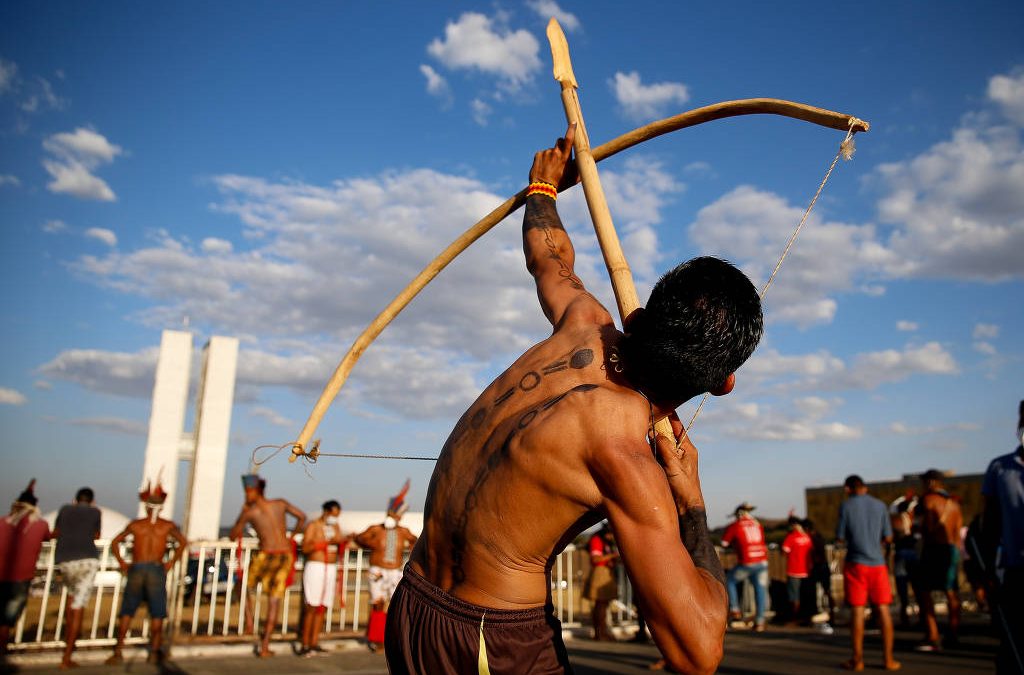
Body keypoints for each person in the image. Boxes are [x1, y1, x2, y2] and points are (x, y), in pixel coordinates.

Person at [384, 123, 763, 675]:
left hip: (413, 606)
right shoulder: (624, 458)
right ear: (723, 382)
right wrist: (692, 503)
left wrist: (542, 190)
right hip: (489, 642)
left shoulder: (585, 321)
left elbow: (548, 259)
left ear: (646, 312)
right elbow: (699, 650)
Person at [105, 480, 187, 665]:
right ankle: (154, 651)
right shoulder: (166, 526)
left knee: (128, 610)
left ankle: (118, 651)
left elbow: (115, 542)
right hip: (156, 568)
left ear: (146, 507)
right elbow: (182, 542)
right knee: (157, 612)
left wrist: (123, 563)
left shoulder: (136, 525)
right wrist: (170, 563)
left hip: (137, 567)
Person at [229, 473, 306, 658]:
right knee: (241, 586)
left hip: (279, 556)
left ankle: (264, 644)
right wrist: (292, 536)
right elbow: (301, 517)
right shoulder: (255, 510)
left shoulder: (270, 506)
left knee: (273, 601)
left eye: (249, 492)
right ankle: (250, 621)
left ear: (258, 491)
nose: (247, 495)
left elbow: (302, 517)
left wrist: (292, 537)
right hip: (269, 555)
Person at [836, 475, 899, 672]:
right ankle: (888, 659)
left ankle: (857, 659)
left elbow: (840, 537)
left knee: (857, 611)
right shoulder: (880, 506)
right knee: (883, 610)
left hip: (856, 564)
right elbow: (888, 536)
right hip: (878, 564)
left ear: (848, 489)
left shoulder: (846, 507)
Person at [981, 400, 1024, 674]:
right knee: (1013, 650)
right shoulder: (1000, 469)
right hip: (1017, 572)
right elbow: (990, 526)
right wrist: (987, 570)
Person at [354, 480, 417, 652]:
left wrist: (411, 546)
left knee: (397, 604)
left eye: (397, 516)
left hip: (395, 571)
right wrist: (370, 543)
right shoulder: (376, 529)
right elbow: (359, 538)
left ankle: (394, 637)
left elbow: (416, 541)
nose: (394, 518)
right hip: (378, 571)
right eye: (392, 514)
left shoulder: (403, 531)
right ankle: (376, 638)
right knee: (377, 603)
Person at [912, 469, 963, 651]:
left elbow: (927, 527)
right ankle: (953, 632)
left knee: (925, 593)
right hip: (951, 550)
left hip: (933, 549)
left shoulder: (928, 500)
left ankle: (933, 635)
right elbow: (957, 534)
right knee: (951, 593)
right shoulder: (954, 505)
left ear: (931, 482)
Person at [0, 480, 50, 658]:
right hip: (22, 578)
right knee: (7, 620)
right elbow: (48, 537)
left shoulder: (2, 522)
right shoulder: (40, 525)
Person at [53, 487, 101, 670]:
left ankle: (67, 638)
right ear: (92, 501)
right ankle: (67, 655)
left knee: (70, 599)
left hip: (64, 560)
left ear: (75, 499)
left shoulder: (64, 509)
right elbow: (97, 535)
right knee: (78, 605)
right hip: (87, 561)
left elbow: (56, 531)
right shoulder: (96, 512)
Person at [298, 499, 346, 657]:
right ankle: (305, 644)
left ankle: (314, 642)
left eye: (337, 515)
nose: (335, 518)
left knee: (323, 606)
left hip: (330, 567)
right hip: (316, 566)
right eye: (333, 514)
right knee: (311, 605)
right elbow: (305, 547)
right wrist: (320, 544)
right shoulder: (313, 525)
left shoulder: (335, 526)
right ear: (326, 512)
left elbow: (339, 539)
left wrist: (339, 541)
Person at [722, 502, 769, 632]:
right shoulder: (757, 524)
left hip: (747, 561)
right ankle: (760, 621)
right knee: (760, 590)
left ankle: (735, 609)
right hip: (762, 561)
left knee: (730, 580)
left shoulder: (736, 525)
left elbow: (724, 543)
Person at [888, 495, 919, 628]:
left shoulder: (895, 520)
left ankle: (904, 615)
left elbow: (889, 539)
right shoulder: (914, 520)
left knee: (902, 587)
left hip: (900, 554)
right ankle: (923, 616)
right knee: (917, 586)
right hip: (913, 553)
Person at [584, 524, 619, 641]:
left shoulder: (605, 542)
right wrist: (613, 555)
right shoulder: (597, 540)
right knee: (601, 605)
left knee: (602, 605)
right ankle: (600, 633)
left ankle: (601, 632)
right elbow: (596, 559)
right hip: (600, 573)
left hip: (605, 572)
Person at [803, 518, 836, 634]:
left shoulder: (810, 538)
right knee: (827, 591)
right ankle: (832, 615)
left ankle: (812, 616)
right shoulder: (819, 536)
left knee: (812, 593)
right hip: (823, 566)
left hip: (817, 567)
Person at [781, 514, 813, 623]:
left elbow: (784, 550)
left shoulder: (791, 537)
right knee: (804, 596)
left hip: (794, 571)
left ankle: (794, 618)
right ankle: (804, 617)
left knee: (794, 597)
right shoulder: (807, 537)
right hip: (806, 571)